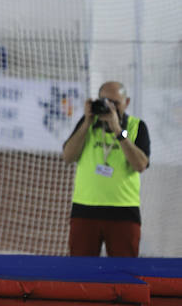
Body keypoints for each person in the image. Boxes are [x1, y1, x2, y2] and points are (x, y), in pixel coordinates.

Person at [62, 81, 150, 257]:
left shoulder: (136, 127)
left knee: (124, 272)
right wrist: (87, 122)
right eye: (104, 101)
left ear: (127, 102)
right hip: (85, 209)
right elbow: (68, 156)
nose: (109, 107)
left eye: (115, 103)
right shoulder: (88, 123)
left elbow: (140, 165)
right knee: (81, 272)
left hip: (123, 211)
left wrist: (118, 130)